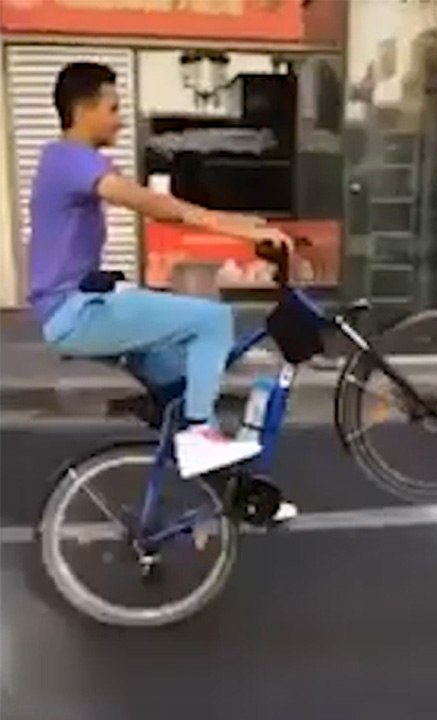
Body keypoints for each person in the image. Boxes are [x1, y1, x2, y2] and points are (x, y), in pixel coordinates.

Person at [28, 62, 297, 520]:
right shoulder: (70, 159)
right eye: (112, 108)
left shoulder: (71, 161)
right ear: (83, 109)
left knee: (181, 381)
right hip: (75, 312)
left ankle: (236, 495)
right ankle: (198, 436)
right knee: (211, 319)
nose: (119, 119)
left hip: (81, 304)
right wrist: (239, 229)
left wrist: (245, 226)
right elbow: (155, 205)